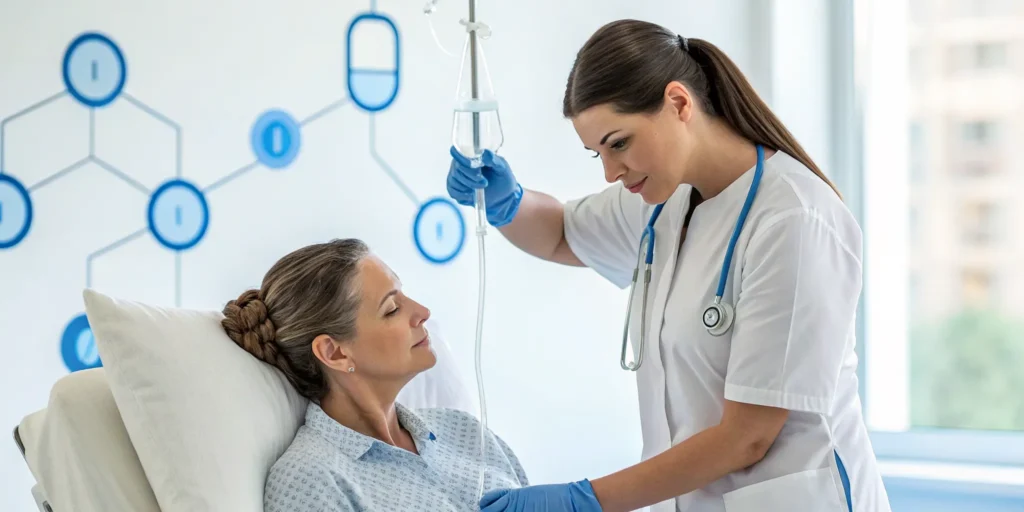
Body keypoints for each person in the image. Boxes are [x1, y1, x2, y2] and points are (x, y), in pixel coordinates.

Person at [446, 19, 890, 512]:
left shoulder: (793, 219)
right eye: (596, 152)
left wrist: (585, 500)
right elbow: (561, 234)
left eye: (619, 143)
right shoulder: (663, 200)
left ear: (679, 103)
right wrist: (507, 202)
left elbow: (748, 436)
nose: (611, 172)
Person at [220, 238, 529, 511]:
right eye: (392, 308)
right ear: (335, 353)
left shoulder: (464, 432)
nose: (422, 311)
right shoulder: (313, 480)